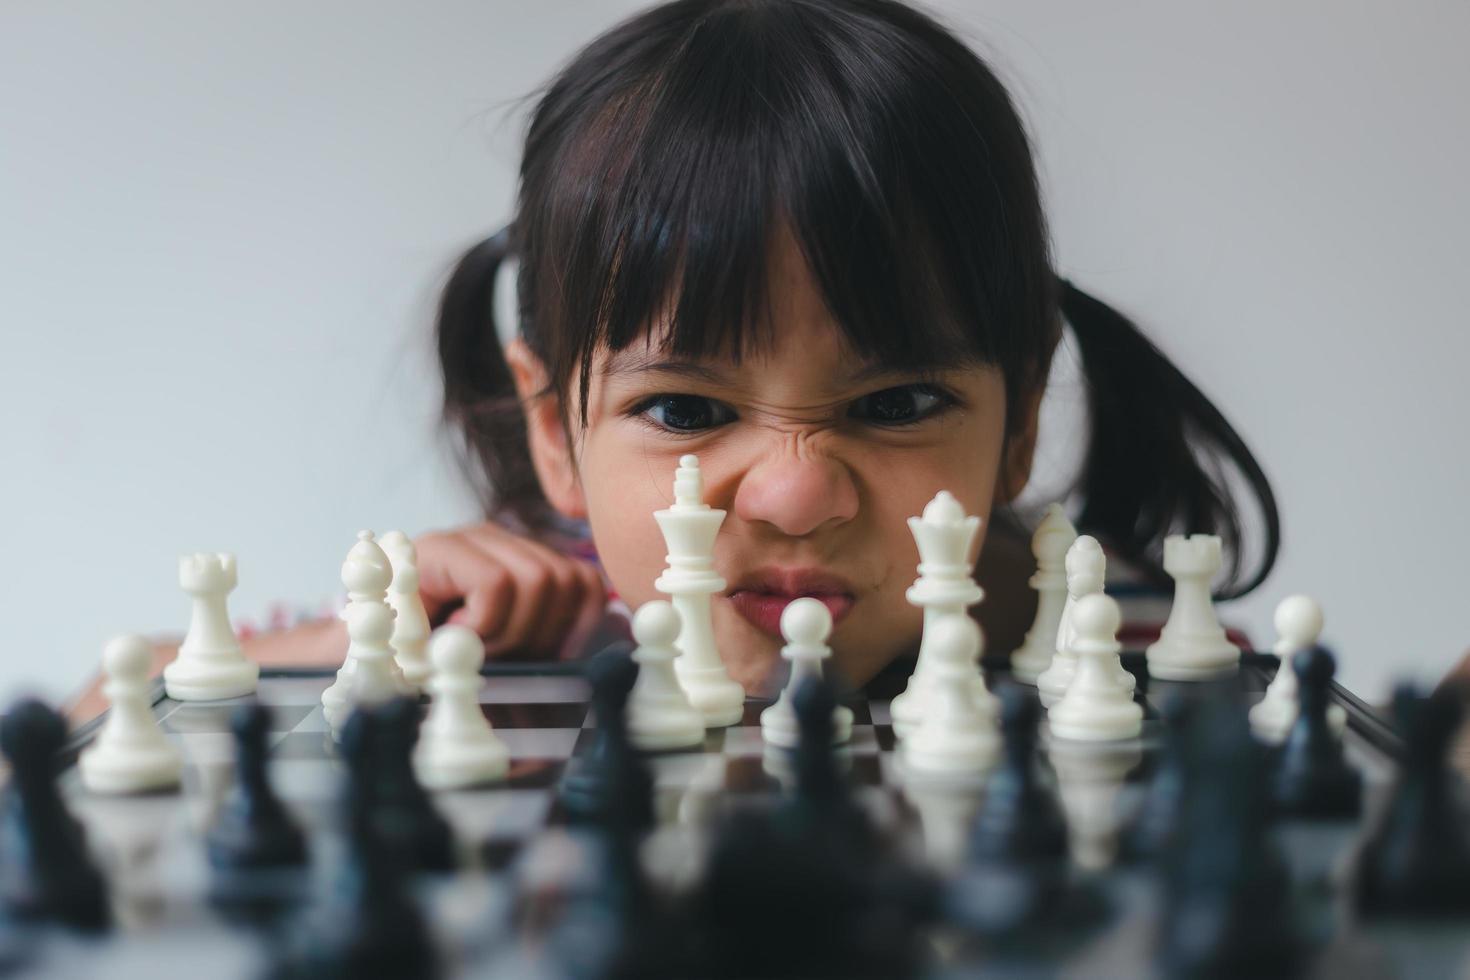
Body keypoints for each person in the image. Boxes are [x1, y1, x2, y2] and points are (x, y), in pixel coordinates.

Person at [235, 0, 1278, 695]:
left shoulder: (1132, 638)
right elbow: (109, 701)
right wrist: (358, 645)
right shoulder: (501, 625)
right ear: (556, 431)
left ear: (1022, 421)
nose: (794, 497)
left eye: (898, 402)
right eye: (687, 408)